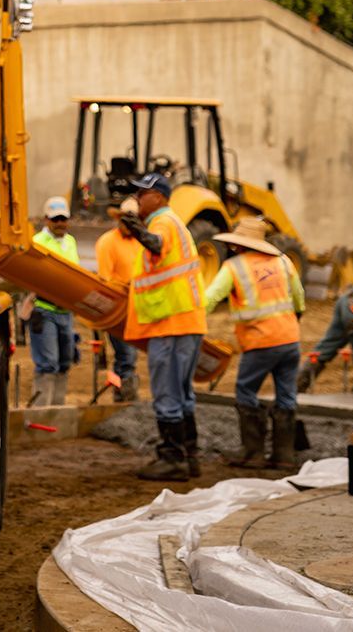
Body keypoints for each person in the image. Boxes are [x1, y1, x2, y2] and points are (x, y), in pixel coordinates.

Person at [120, 172, 207, 481]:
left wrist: (135, 228)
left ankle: (172, 458)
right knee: (182, 393)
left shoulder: (163, 221)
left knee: (167, 392)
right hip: (185, 319)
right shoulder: (173, 222)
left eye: (143, 194)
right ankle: (190, 456)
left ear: (158, 196)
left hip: (169, 322)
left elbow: (156, 245)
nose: (138, 199)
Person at [204, 216, 305, 469]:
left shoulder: (234, 267)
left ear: (239, 244)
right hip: (290, 338)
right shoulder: (283, 262)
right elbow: (299, 297)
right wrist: (295, 318)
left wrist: (192, 319)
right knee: (287, 395)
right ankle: (284, 455)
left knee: (246, 391)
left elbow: (212, 297)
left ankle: (252, 452)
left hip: (260, 341)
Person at [29, 196, 80, 405]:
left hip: (65, 312)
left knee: (64, 362)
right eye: (55, 219)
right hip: (44, 309)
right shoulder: (38, 243)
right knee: (47, 363)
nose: (60, 223)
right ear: (46, 220)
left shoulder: (70, 241)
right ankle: (41, 412)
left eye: (63, 219)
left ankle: (57, 409)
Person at [94, 200, 140, 401]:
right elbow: (105, 281)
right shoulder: (107, 242)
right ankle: (123, 397)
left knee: (131, 356)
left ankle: (124, 395)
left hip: (136, 309)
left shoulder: (139, 242)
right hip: (117, 309)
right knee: (126, 356)